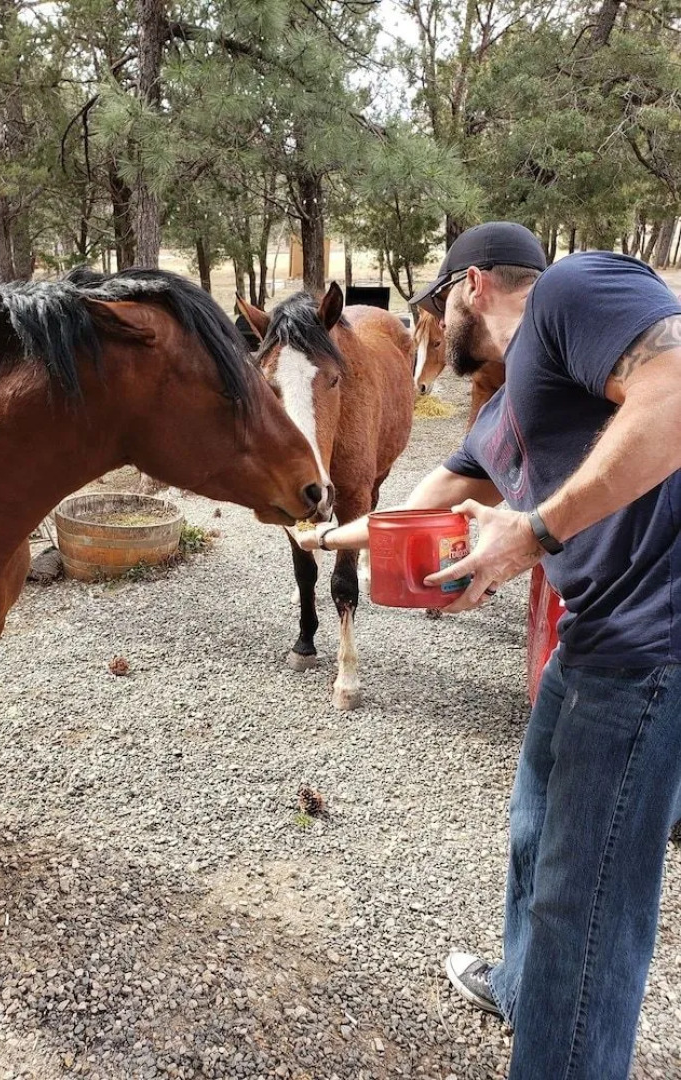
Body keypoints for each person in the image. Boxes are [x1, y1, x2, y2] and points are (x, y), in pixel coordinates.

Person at [296, 221, 681, 1080]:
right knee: (533, 830)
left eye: (435, 308)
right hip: (595, 636)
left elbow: (678, 387)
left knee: (585, 906)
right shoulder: (513, 405)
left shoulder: (576, 291)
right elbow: (424, 504)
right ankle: (519, 986)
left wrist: (535, 530)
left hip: (654, 649)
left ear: (472, 287)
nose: (434, 331)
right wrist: (323, 537)